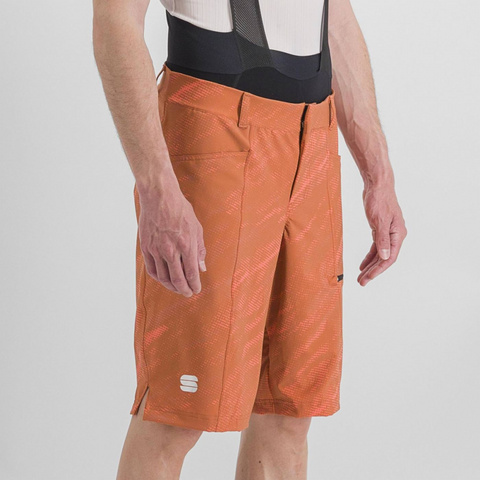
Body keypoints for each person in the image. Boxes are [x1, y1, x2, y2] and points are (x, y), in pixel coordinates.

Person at [92, 0, 407, 478]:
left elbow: (335, 17)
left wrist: (378, 174)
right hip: (212, 129)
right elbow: (115, 19)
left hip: (314, 139)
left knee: (289, 409)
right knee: (177, 412)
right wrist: (156, 187)